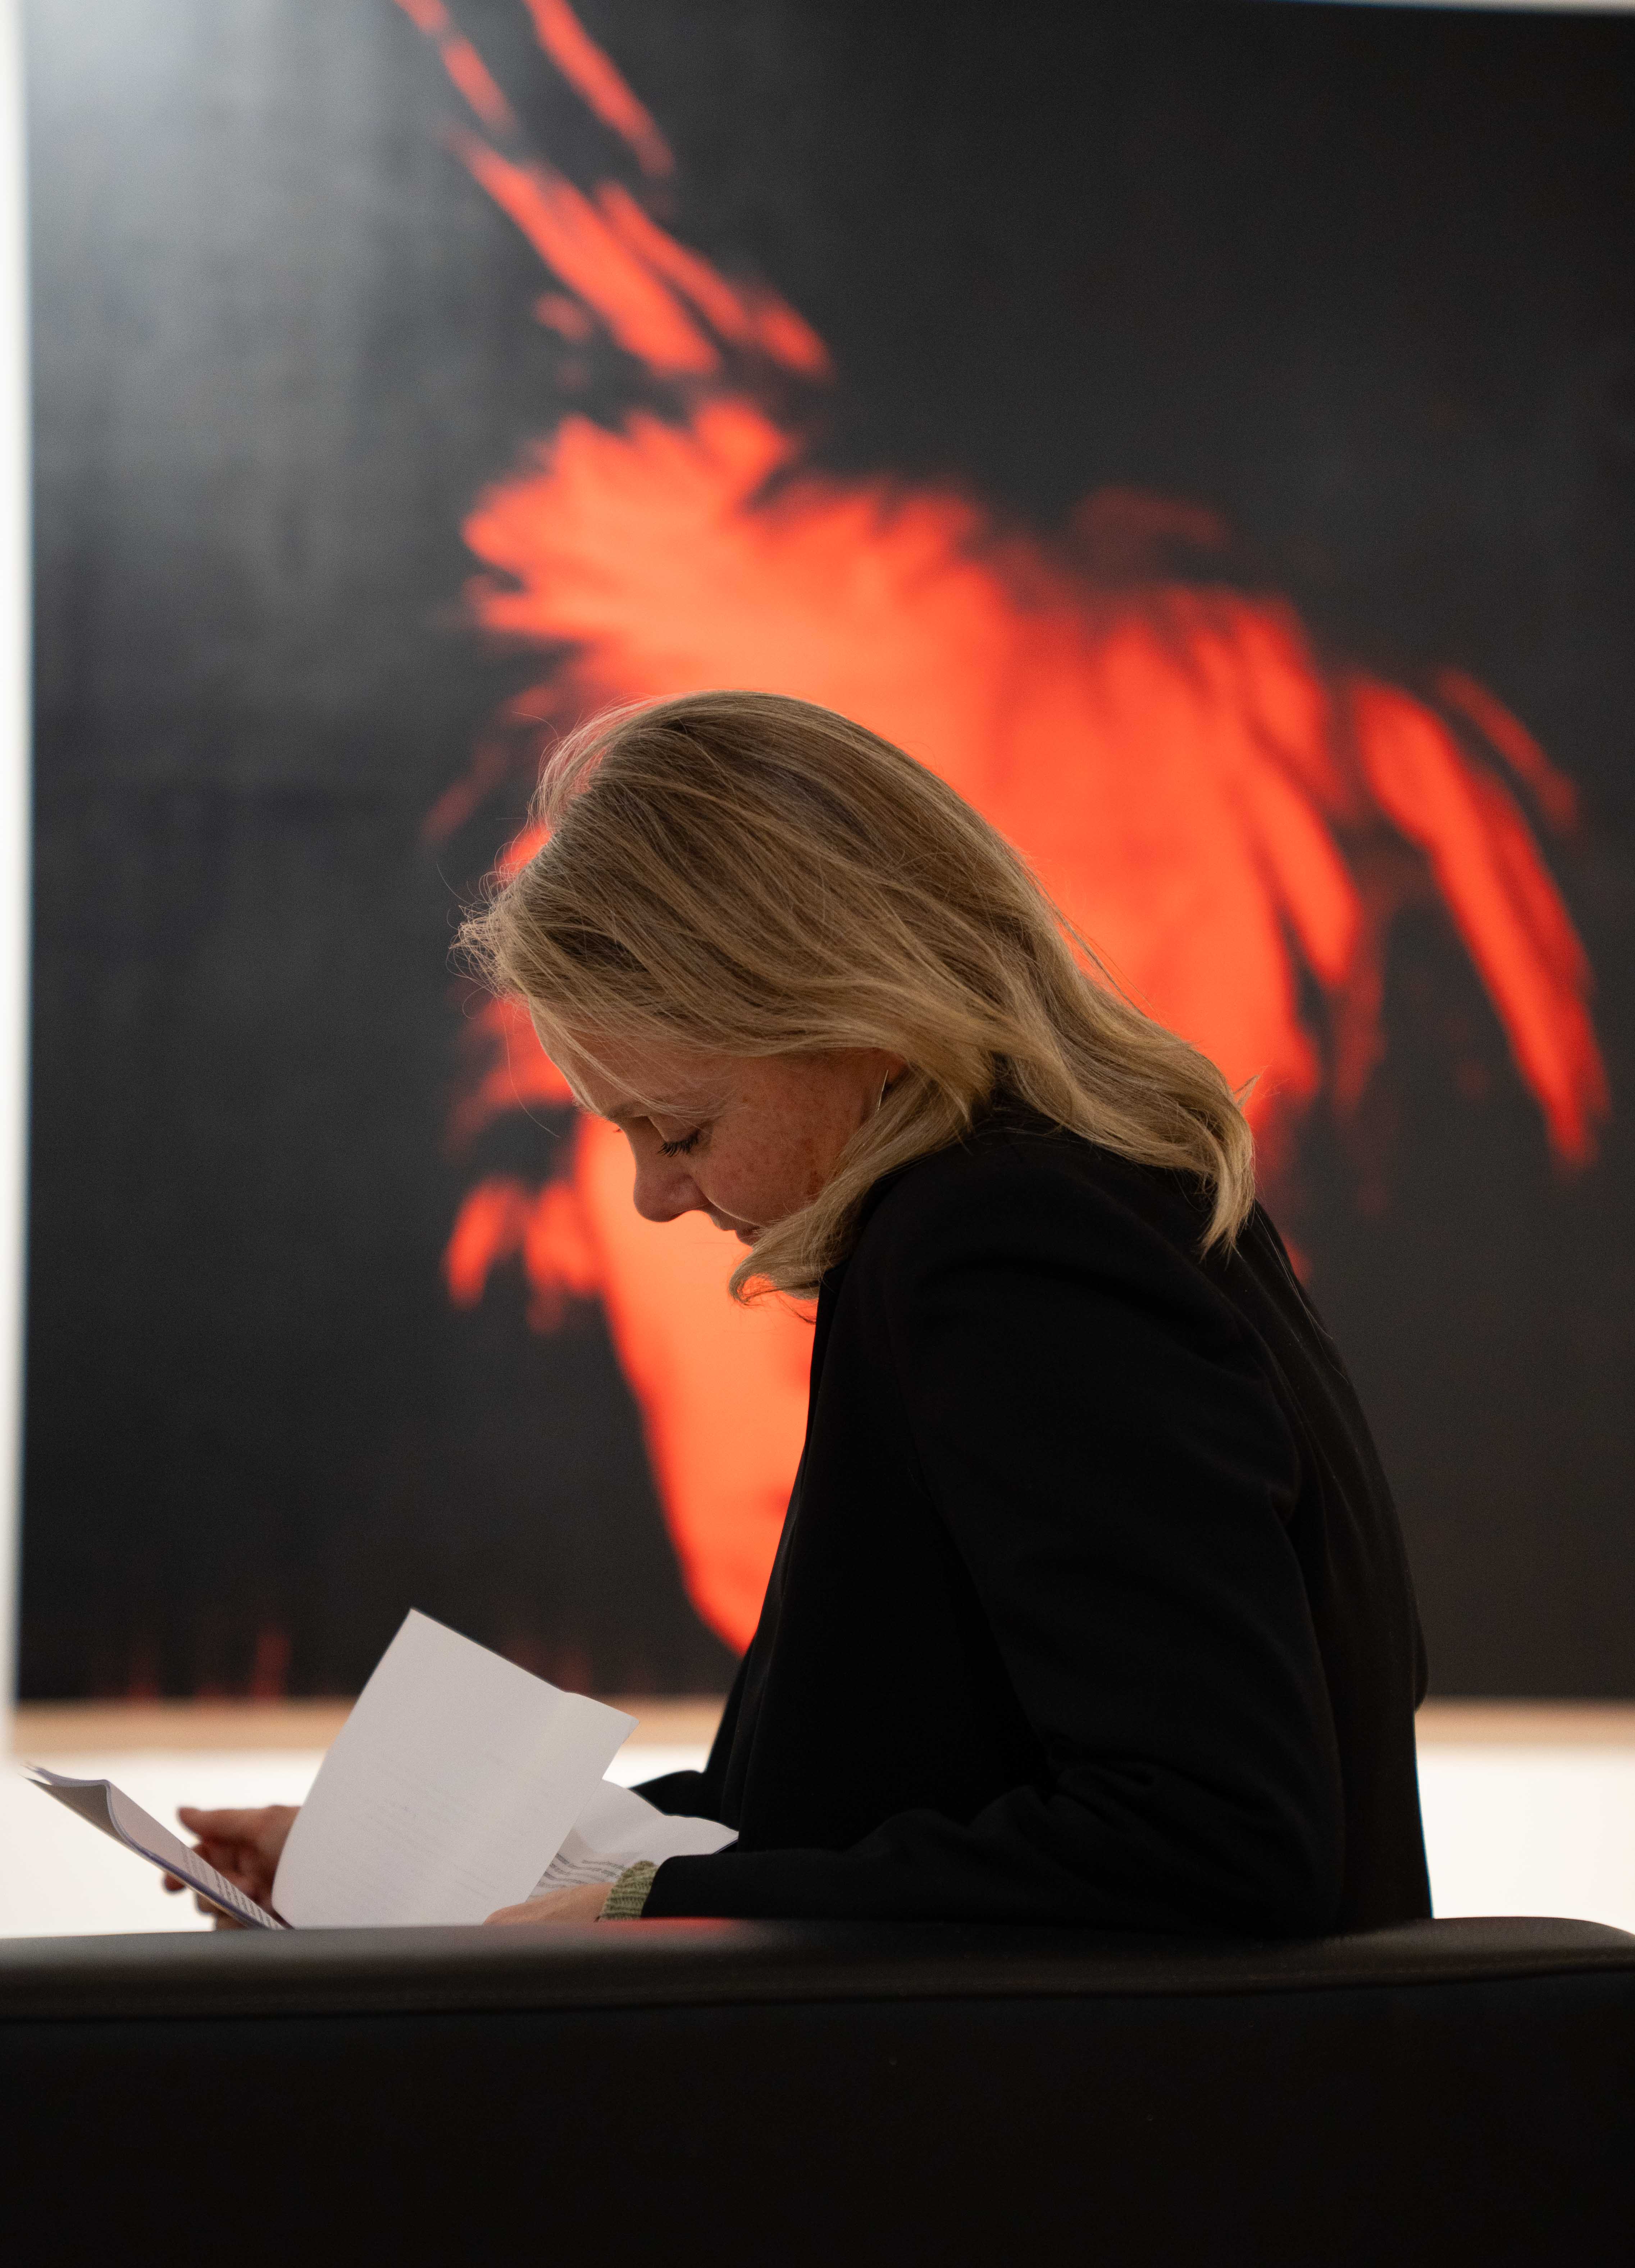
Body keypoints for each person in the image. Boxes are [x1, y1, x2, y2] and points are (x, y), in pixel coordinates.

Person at [176, 690, 1431, 1937]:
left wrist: (646, 1901)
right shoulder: (1076, 1204)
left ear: (852, 1017)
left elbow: (1212, 1838)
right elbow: (856, 1804)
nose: (657, 1194)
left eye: (680, 1130)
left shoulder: (1005, 1242)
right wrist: (405, 1870)